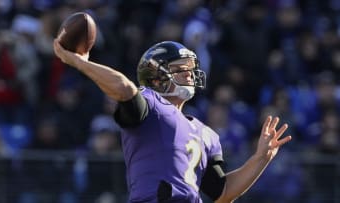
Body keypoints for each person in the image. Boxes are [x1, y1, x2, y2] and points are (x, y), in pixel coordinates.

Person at [53, 39, 292, 203]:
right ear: (156, 79)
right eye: (180, 69)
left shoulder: (207, 133)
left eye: (190, 69)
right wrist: (80, 62)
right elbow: (123, 88)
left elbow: (223, 193)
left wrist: (260, 158)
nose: (189, 74)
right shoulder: (151, 105)